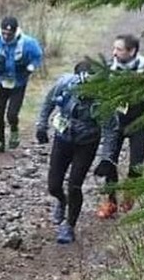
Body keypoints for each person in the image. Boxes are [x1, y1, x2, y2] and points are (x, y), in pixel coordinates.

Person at [93, 34, 144, 219]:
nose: (114, 53)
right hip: (116, 122)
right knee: (110, 162)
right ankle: (110, 201)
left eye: (119, 49)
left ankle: (130, 192)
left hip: (139, 122)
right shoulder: (109, 68)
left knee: (136, 166)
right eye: (114, 48)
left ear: (132, 51)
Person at [36, 60, 104, 244]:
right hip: (63, 137)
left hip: (88, 142)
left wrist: (106, 158)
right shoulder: (64, 84)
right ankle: (61, 200)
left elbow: (112, 128)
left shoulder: (104, 94)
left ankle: (69, 226)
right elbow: (48, 102)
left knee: (75, 185)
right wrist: (41, 126)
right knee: (53, 185)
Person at [0, 15, 44, 153]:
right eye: (4, 32)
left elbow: (38, 56)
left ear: (15, 32)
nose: (6, 36)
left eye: (9, 34)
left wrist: (30, 68)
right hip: (1, 81)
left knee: (12, 114)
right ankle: (0, 142)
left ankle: (14, 130)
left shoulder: (27, 42)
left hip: (18, 83)